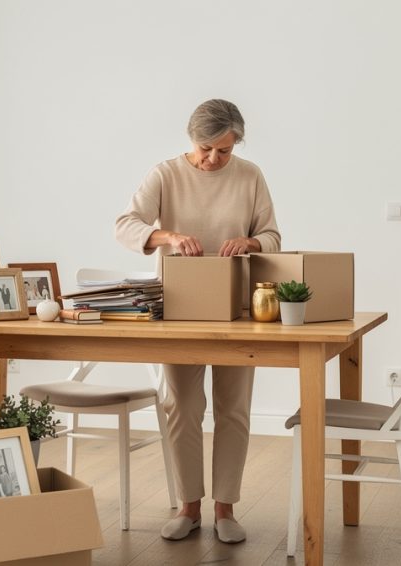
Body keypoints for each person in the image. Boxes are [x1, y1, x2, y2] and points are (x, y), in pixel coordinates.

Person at [115, 99, 281, 543]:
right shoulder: (166, 174)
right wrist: (165, 235)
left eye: (224, 151)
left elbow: (273, 236)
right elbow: (125, 224)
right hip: (179, 311)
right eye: (206, 148)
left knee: (234, 409)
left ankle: (225, 508)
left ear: (236, 145)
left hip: (237, 312)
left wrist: (250, 241)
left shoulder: (250, 176)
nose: (213, 160)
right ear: (193, 140)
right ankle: (188, 506)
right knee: (182, 408)